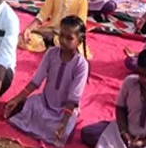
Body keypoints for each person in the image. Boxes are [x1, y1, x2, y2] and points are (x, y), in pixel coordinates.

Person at [6, 16, 89, 147]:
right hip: (44, 103)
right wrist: (16, 99)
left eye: (69, 38)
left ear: (80, 41)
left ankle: (55, 127)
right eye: (61, 35)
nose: (63, 40)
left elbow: (73, 98)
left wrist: (64, 122)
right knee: (27, 105)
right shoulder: (51, 53)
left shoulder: (81, 65)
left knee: (65, 128)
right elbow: (36, 81)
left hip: (63, 111)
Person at [80, 49, 146, 148]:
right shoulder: (130, 82)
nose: (144, 80)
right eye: (140, 74)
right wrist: (125, 134)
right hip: (125, 133)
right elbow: (120, 107)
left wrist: (143, 142)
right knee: (88, 133)